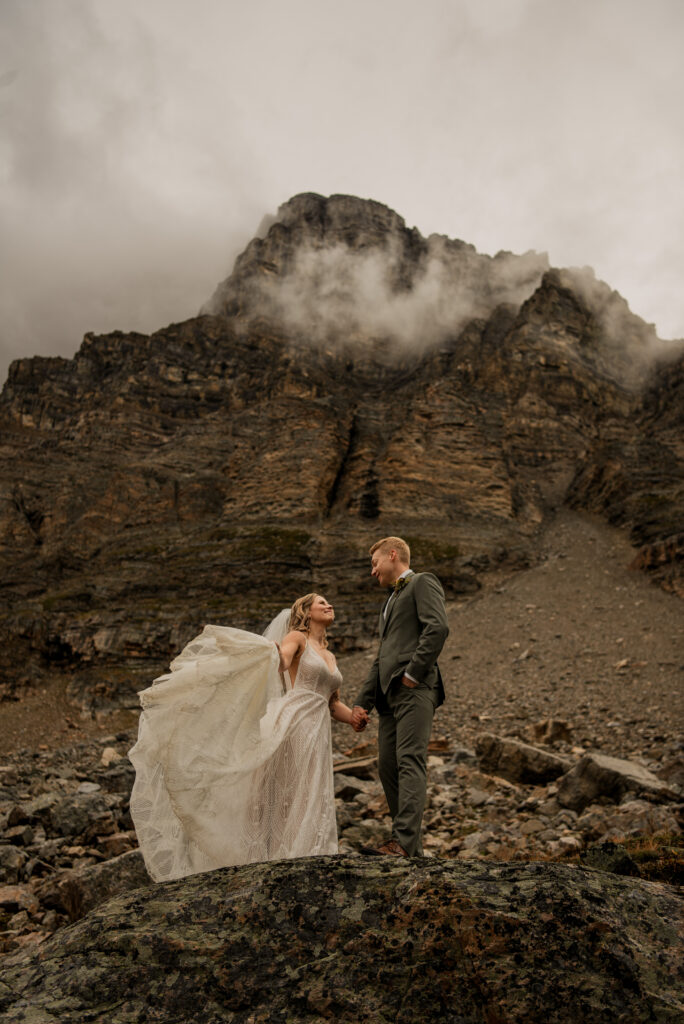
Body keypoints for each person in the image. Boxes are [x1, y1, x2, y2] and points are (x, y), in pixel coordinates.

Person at [129, 593, 362, 881]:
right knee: (294, 788)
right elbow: (283, 660)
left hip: (318, 727)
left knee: (313, 788)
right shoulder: (296, 638)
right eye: (321, 603)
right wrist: (274, 654)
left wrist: (352, 717)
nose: (329, 605)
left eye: (329, 603)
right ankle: (285, 858)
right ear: (306, 611)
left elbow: (331, 703)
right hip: (295, 721)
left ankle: (310, 852)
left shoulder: (329, 654)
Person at [352, 537, 449, 857]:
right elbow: (382, 656)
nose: (372, 571)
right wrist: (362, 702)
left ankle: (403, 842)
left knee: (409, 760)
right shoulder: (389, 602)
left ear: (393, 554)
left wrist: (412, 674)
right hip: (387, 698)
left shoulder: (423, 582)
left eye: (374, 562)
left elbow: (437, 628)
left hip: (413, 690)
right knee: (387, 766)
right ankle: (411, 849)